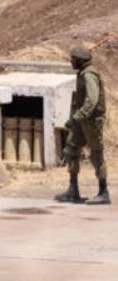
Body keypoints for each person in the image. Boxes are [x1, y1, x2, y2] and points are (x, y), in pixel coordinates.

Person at [56, 44, 109, 205]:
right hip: (82, 121)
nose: (71, 61)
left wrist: (76, 117)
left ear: (80, 60)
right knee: (71, 150)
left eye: (73, 59)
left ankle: (103, 192)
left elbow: (91, 101)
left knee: (96, 155)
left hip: (92, 121)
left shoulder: (89, 75)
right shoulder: (82, 73)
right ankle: (73, 190)